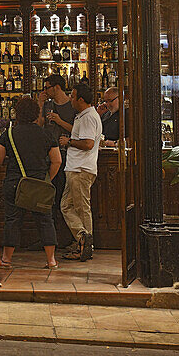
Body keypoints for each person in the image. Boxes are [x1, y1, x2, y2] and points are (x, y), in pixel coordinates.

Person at [0, 96, 62, 270]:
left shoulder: (8, 134)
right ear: (36, 114)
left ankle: (6, 260)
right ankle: (51, 260)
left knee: (12, 220)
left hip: (15, 183)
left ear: (17, 114)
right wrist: (47, 178)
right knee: (45, 220)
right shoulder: (46, 134)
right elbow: (57, 161)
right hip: (39, 182)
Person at [58, 83, 103, 261]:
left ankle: (85, 243)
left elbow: (88, 144)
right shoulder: (84, 116)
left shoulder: (87, 117)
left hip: (81, 169)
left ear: (81, 99)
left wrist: (68, 142)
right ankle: (83, 239)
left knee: (81, 208)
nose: (70, 98)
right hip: (76, 168)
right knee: (67, 206)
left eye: (73, 95)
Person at [40, 74, 76, 249]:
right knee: (50, 197)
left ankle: (65, 237)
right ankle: (49, 239)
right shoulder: (47, 105)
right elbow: (39, 124)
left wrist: (59, 120)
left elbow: (78, 130)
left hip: (69, 157)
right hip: (49, 157)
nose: (45, 91)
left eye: (47, 87)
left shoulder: (72, 105)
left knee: (65, 199)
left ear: (57, 87)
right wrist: (40, 103)